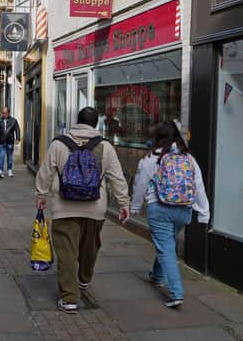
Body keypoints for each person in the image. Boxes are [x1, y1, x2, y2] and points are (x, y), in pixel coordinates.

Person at [34, 107, 131, 314]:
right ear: (96, 123)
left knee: (67, 253)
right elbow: (117, 177)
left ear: (77, 121)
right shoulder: (105, 146)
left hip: (64, 207)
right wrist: (124, 204)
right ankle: (84, 279)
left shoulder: (59, 143)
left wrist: (41, 195)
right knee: (90, 247)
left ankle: (69, 299)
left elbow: (45, 172)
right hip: (96, 208)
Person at [131, 121, 210, 308]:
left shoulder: (151, 158)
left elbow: (140, 185)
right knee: (167, 243)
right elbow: (198, 185)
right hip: (184, 210)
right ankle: (157, 276)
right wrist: (204, 212)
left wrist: (134, 207)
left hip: (159, 209)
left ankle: (176, 293)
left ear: (157, 138)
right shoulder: (188, 158)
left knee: (166, 248)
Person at [0, 107, 20, 178]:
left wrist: (17, 138)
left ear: (8, 113)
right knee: (1, 156)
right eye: (3, 113)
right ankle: (0, 170)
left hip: (10, 141)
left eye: (5, 113)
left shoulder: (13, 120)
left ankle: (9, 170)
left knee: (9, 157)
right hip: (1, 142)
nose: (4, 114)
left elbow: (17, 129)